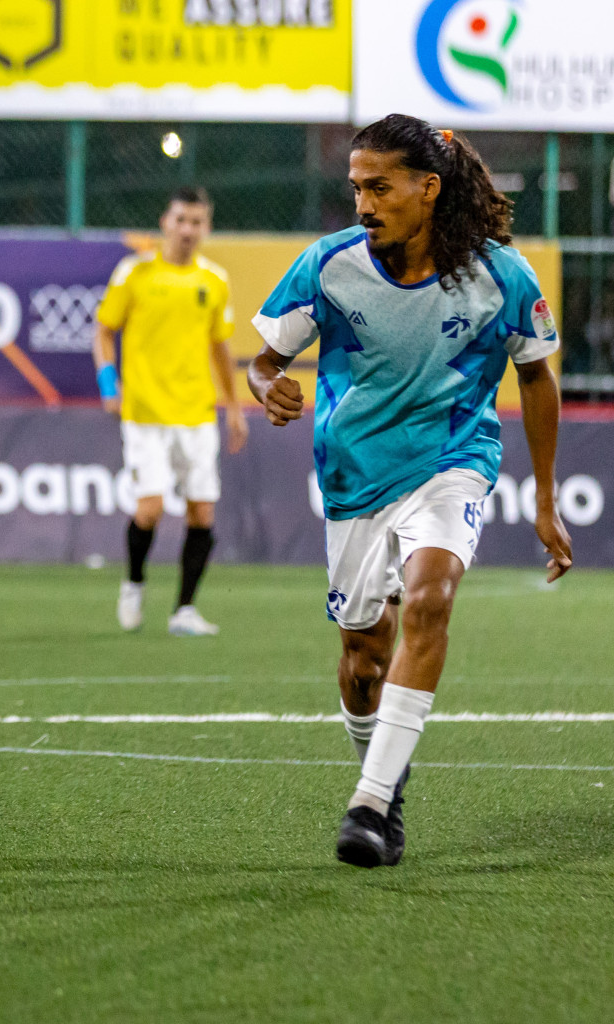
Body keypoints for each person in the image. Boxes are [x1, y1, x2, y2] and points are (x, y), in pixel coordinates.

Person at [247, 114, 572, 868]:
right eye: (356, 187)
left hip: (453, 460)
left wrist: (547, 499)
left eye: (379, 187)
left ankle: (368, 802)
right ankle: (386, 773)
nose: (363, 202)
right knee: (365, 658)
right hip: (355, 475)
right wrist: (271, 388)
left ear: (428, 188)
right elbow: (264, 361)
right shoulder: (328, 266)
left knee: (429, 600)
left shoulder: (501, 277)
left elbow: (536, 374)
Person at [95, 186, 248, 636]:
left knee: (202, 513)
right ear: (165, 222)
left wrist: (235, 408)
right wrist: (110, 383)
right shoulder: (134, 272)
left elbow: (220, 347)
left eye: (197, 221)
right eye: (181, 219)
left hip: (198, 414)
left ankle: (184, 610)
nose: (188, 229)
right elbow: (103, 332)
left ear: (207, 227)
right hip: (144, 413)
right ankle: (134, 583)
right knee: (151, 509)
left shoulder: (214, 280)